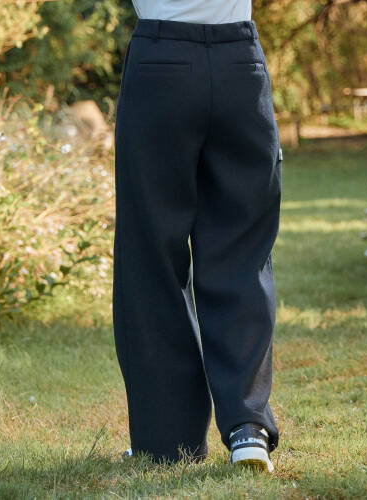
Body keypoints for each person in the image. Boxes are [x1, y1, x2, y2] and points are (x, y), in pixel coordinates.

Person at [113, 0, 282, 473]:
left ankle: (167, 441)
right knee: (243, 250)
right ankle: (247, 428)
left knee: (152, 260)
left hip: (160, 63)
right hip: (240, 64)